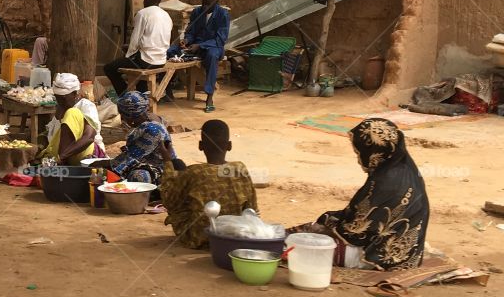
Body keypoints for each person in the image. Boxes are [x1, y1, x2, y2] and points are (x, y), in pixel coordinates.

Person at [290, 118, 429, 269]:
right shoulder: (402, 166)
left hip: (378, 255)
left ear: (374, 153)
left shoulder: (387, 181)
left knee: (299, 245)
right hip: (404, 251)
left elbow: (356, 231)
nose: (358, 160)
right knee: (309, 232)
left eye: (359, 153)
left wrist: (324, 225)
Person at [161, 119, 258, 248]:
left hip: (199, 237)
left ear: (200, 146)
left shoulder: (194, 172)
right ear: (229, 146)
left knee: (178, 177)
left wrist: (167, 162)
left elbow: (168, 200)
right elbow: (252, 209)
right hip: (237, 235)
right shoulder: (240, 168)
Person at [103, 0, 173, 96]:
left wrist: (128, 55)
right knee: (137, 63)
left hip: (147, 61)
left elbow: (134, 41)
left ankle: (125, 96)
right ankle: (141, 96)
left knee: (109, 68)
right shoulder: (166, 16)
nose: (143, 0)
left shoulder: (143, 13)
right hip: (161, 61)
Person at [104, 91, 174, 185]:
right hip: (145, 163)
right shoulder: (145, 122)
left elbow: (132, 156)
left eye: (123, 115)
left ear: (131, 117)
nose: (122, 119)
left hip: (162, 170)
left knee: (139, 176)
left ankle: (147, 193)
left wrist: (105, 163)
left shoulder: (153, 130)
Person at [39, 73, 107, 164]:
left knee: (71, 112)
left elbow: (89, 137)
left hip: (85, 155)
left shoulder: (85, 105)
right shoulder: (61, 108)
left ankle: (63, 162)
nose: (60, 102)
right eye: (58, 98)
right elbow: (53, 135)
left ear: (75, 94)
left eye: (63, 98)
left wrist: (62, 157)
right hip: (63, 156)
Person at [183, 0, 230, 113]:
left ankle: (209, 96)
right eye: (203, 3)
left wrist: (200, 46)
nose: (204, 7)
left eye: (208, 4)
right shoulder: (196, 12)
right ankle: (167, 92)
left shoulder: (223, 14)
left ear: (216, 3)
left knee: (212, 56)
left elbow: (220, 39)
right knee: (173, 51)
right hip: (196, 46)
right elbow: (190, 31)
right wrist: (187, 40)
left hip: (214, 47)